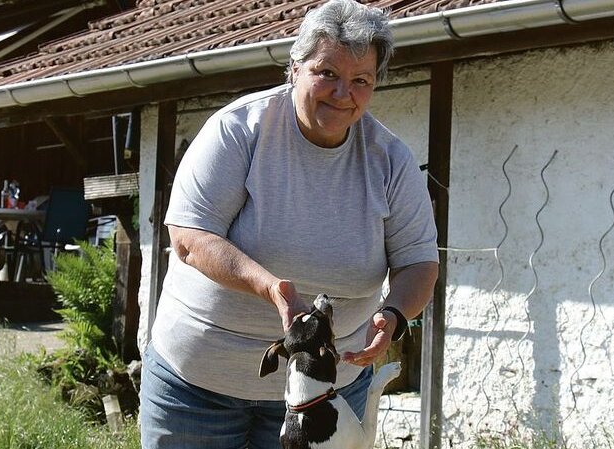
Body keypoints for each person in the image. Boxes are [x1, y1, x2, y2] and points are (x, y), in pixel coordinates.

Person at [139, 0, 439, 447]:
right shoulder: (239, 130)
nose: (343, 93)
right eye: (327, 73)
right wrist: (268, 287)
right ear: (294, 67)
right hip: (199, 386)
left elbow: (419, 263)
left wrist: (392, 316)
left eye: (361, 80)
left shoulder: (390, 160)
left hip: (327, 394)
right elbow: (189, 238)